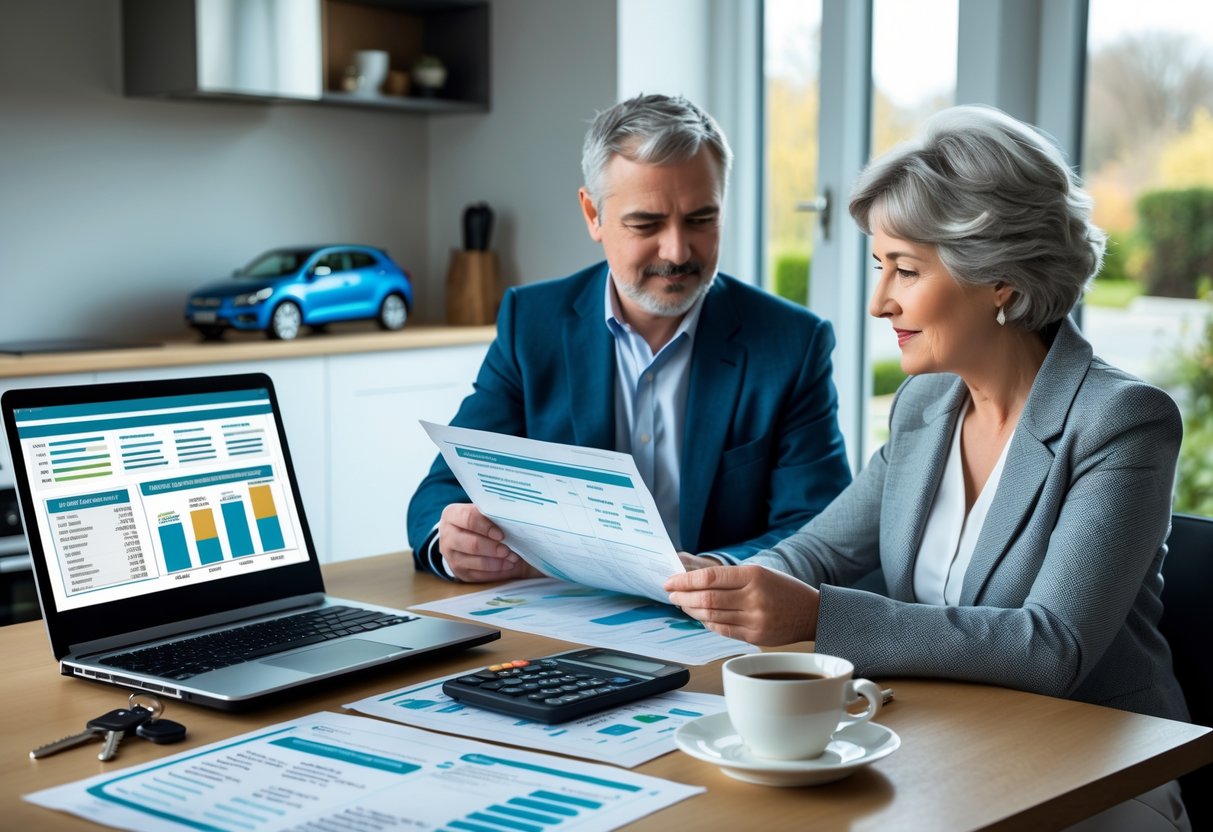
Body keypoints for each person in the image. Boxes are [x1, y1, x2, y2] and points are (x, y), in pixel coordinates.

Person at [664, 105, 1191, 830]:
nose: (879, 301)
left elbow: (1050, 646)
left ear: (998, 279)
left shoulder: (1121, 421)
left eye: (905, 270)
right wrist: (715, 579)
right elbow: (818, 552)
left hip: (1095, 772)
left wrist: (817, 617)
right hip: (949, 745)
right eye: (879, 266)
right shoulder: (925, 403)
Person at [407, 93, 851, 582]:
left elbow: (820, 528)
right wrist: (452, 542)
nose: (678, 250)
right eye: (647, 223)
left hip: (721, 629)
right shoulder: (532, 323)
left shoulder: (793, 344)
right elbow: (442, 490)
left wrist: (717, 570)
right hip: (563, 617)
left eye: (702, 219)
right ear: (592, 214)